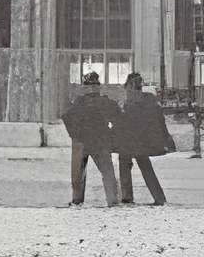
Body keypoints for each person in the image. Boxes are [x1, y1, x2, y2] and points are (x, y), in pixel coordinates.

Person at [114, 73, 174, 205]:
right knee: (146, 168)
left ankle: (127, 197)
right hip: (141, 141)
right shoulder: (149, 100)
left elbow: (122, 120)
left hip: (127, 140)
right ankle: (159, 197)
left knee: (125, 166)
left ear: (129, 85)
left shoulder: (129, 101)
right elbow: (158, 120)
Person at [61, 74, 120, 208]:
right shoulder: (103, 102)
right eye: (92, 86)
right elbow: (118, 118)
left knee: (79, 173)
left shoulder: (80, 103)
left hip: (83, 141)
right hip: (99, 140)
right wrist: (110, 134)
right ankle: (112, 200)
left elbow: (66, 117)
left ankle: (77, 200)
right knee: (106, 171)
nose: (92, 88)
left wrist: (75, 135)